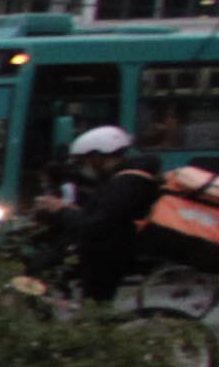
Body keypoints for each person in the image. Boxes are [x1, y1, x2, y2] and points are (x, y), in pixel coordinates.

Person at [53, 123, 163, 300]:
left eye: (85, 160)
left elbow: (96, 225)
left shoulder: (125, 183)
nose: (85, 166)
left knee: (95, 306)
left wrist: (61, 210)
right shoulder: (128, 179)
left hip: (107, 256)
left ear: (97, 156)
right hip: (111, 253)